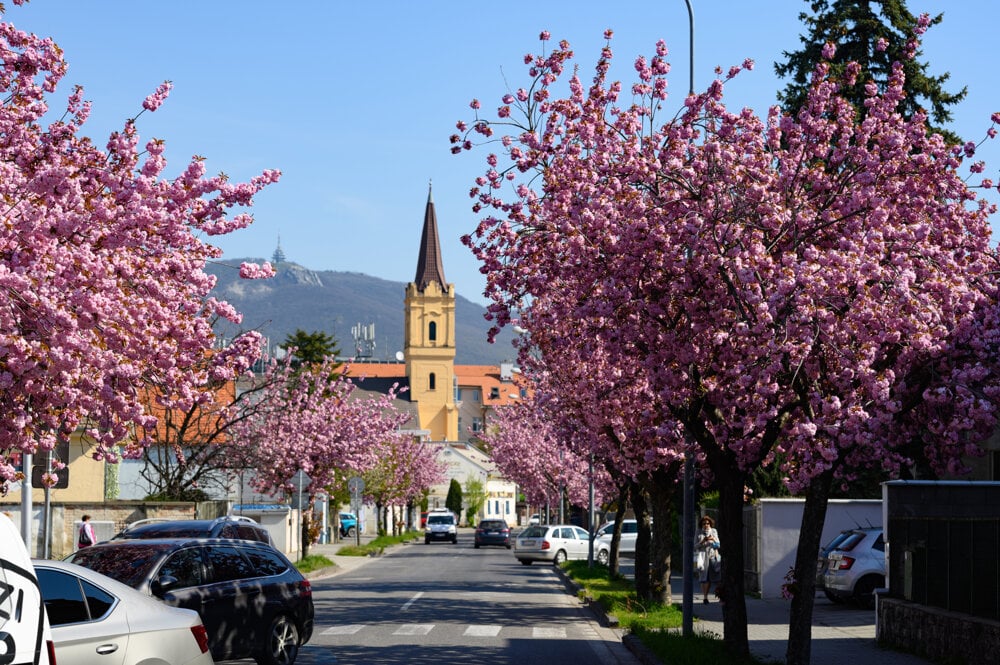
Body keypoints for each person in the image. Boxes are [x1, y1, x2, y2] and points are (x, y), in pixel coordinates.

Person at [696, 515, 721, 603]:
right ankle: (705, 597)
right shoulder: (698, 532)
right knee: (704, 578)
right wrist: (703, 541)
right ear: (701, 525)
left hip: (713, 556)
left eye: (708, 523)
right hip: (703, 557)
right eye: (704, 524)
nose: (706, 525)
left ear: (710, 524)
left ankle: (720, 596)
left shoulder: (714, 531)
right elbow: (695, 546)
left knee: (717, 577)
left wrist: (712, 539)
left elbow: (718, 544)